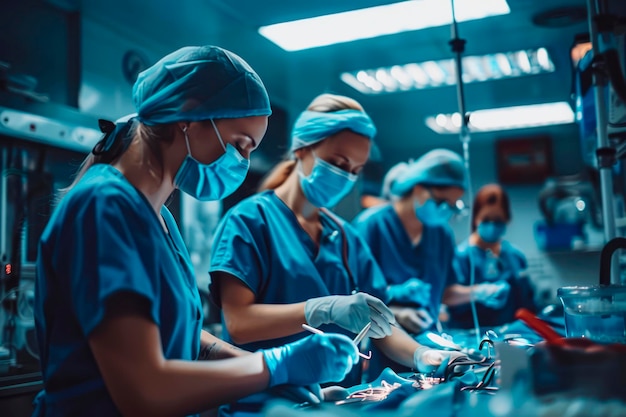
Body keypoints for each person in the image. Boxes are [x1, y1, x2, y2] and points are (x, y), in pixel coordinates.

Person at [33, 46, 360, 417]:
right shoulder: (104, 206)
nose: (242, 163)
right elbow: (144, 389)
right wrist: (274, 366)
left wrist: (268, 375)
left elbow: (182, 338)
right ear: (189, 113)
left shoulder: (161, 221)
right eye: (239, 145)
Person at [208, 93, 467, 415]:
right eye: (338, 163)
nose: (346, 177)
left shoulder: (346, 237)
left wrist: (423, 355)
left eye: (355, 170)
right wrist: (322, 309)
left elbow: (382, 327)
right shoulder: (248, 221)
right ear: (302, 148)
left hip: (339, 402)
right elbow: (239, 321)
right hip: (264, 403)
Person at [448, 183, 537, 329]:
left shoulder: (515, 256)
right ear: (476, 218)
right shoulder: (461, 257)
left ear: (507, 219)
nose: (492, 225)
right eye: (486, 219)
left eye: (498, 220)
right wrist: (479, 292)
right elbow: (449, 300)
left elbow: (527, 303)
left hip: (513, 335)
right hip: (471, 337)